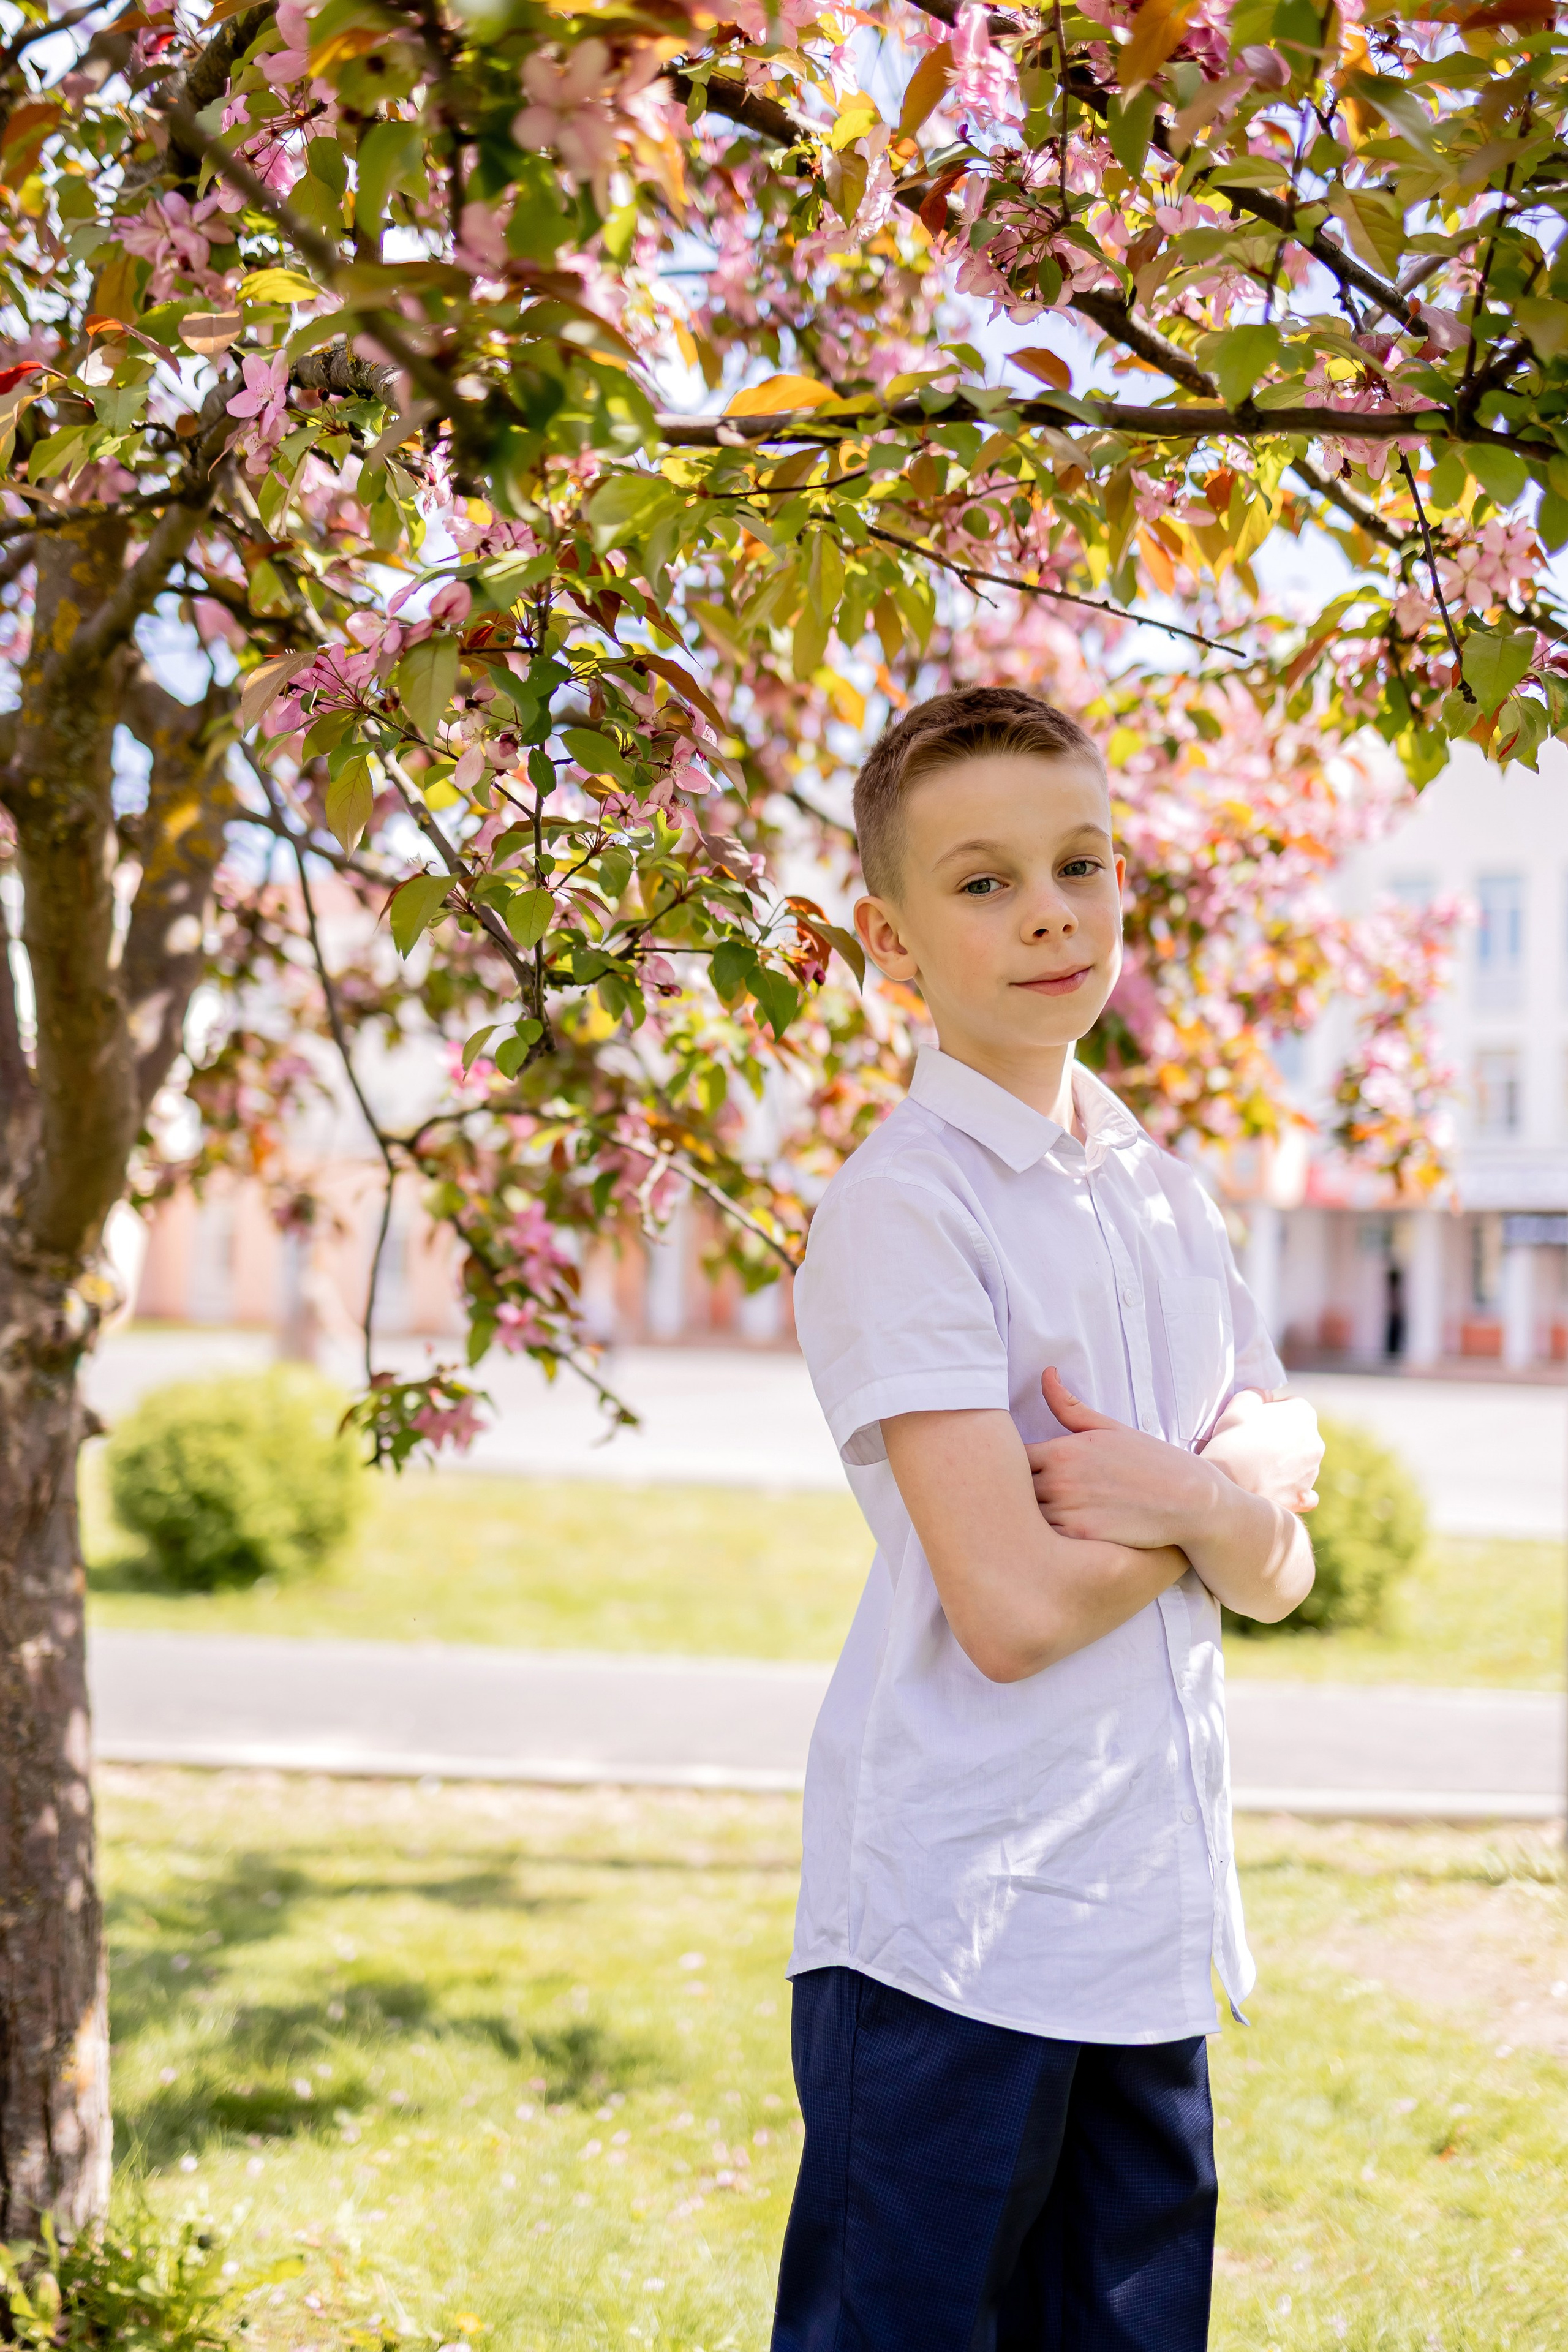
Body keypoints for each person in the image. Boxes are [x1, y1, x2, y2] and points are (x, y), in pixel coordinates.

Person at [771, 686, 1324, 2352]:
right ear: (892, 938)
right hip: (954, 1937)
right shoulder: (901, 1211)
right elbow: (1008, 1614)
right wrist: (1212, 1507)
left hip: (1148, 1923)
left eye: (1081, 864)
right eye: (985, 880)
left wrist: (1190, 1500)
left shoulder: (1165, 1193)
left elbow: (1288, 1571)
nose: (1050, 913)